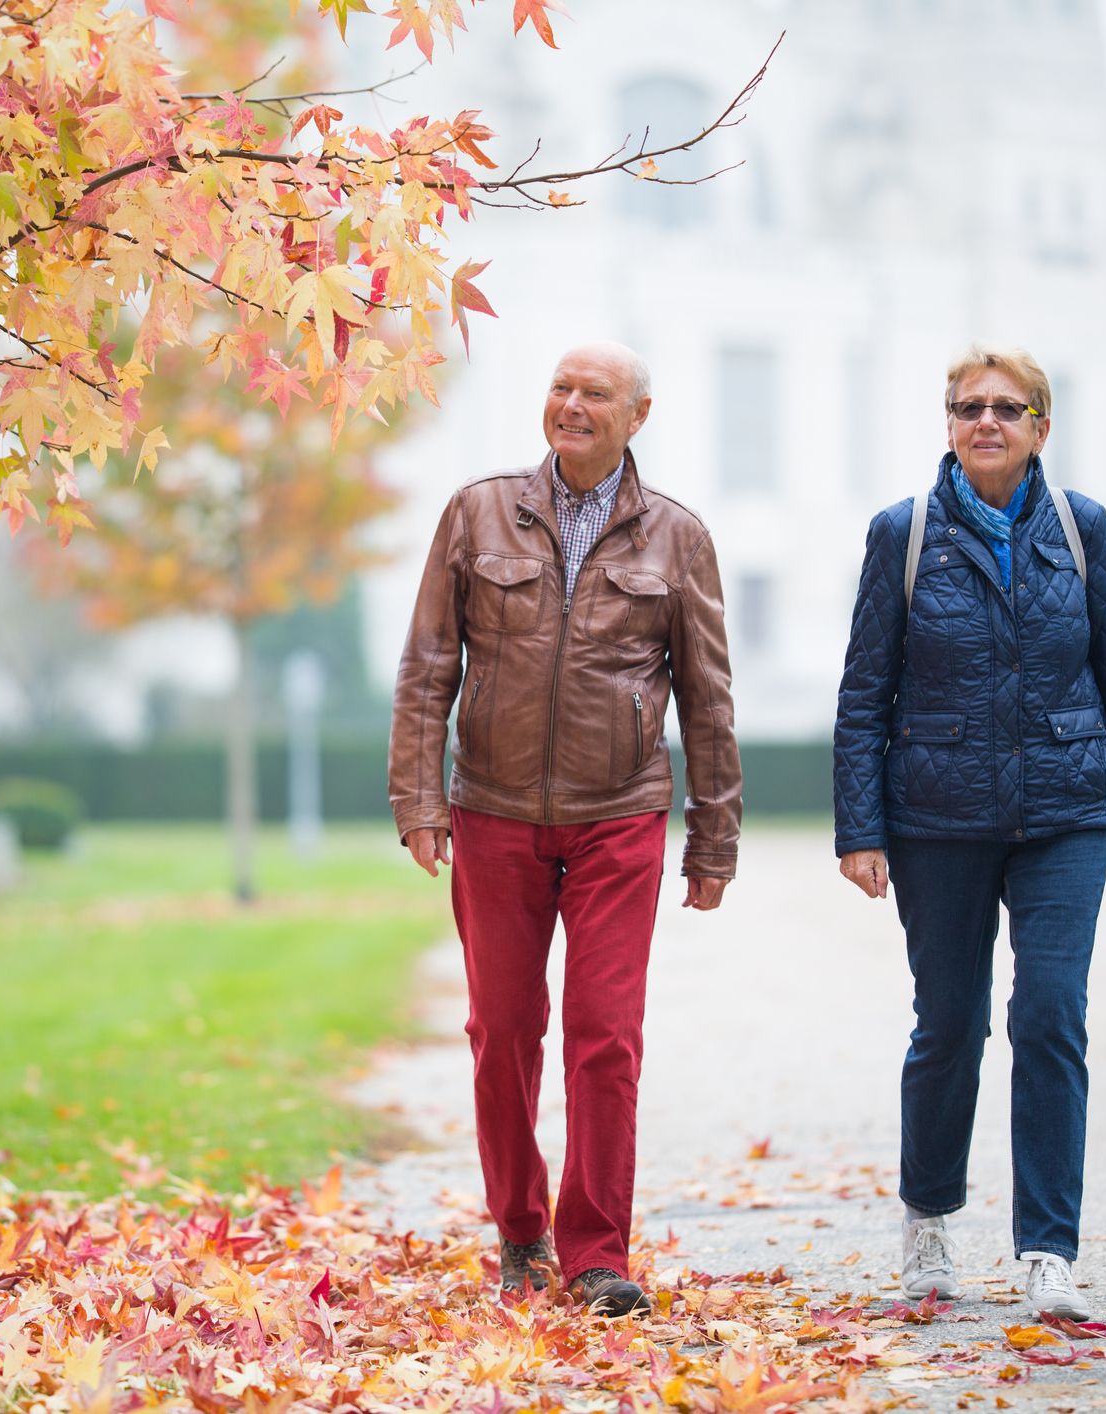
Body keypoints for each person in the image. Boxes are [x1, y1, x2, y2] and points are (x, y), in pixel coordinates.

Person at [388, 341, 742, 1317]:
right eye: (559, 387)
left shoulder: (678, 537)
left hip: (619, 816)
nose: (572, 404)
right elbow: (427, 667)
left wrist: (716, 835)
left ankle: (596, 1254)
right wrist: (418, 799)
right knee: (501, 1031)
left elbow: (707, 699)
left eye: (595, 393)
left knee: (605, 1036)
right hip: (492, 811)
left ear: (639, 414)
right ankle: (519, 1231)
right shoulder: (477, 511)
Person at [832, 344, 1106, 1321]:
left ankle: (1047, 1249)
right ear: (947, 423)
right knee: (950, 1023)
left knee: (1050, 1014)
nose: (986, 421)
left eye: (1006, 407)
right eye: (967, 406)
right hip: (937, 815)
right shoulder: (902, 534)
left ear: (1040, 427)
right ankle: (929, 1219)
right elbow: (864, 693)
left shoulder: (1081, 527)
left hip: (1066, 807)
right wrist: (862, 825)